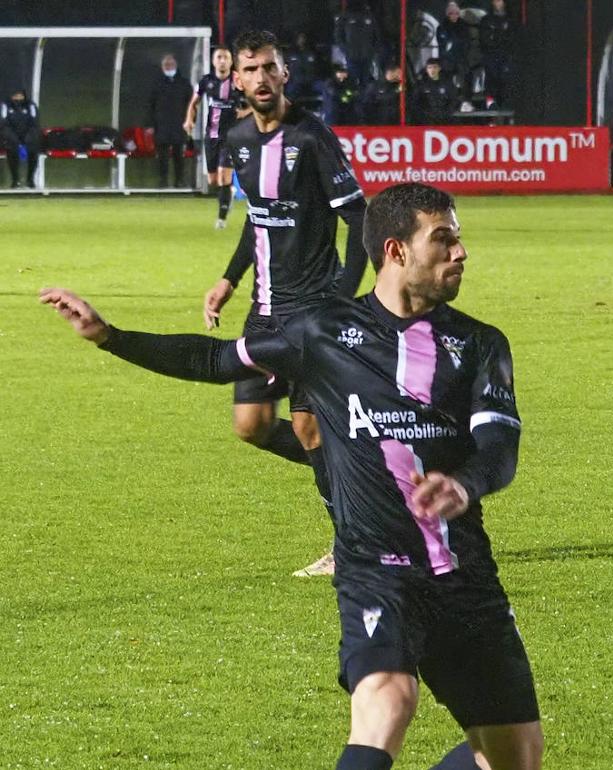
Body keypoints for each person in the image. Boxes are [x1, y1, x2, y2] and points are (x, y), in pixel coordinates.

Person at [39, 182, 543, 770]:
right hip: (377, 571)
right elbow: (215, 359)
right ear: (396, 250)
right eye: (445, 239)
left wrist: (464, 484)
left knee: (514, 759)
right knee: (387, 703)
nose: (461, 252)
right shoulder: (320, 331)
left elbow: (499, 447)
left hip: (467, 578)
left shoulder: (481, 344)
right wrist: (110, 337)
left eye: (458, 239)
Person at [206, 29, 368, 577]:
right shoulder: (238, 140)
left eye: (269, 68)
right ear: (237, 79)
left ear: (284, 73)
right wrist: (229, 280)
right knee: (251, 425)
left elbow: (359, 220)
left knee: (309, 429)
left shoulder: (315, 137)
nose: (261, 79)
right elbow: (258, 220)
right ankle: (363, 476)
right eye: (250, 70)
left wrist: (342, 302)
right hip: (264, 311)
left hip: (314, 312)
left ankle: (350, 542)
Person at [185, 47, 241, 228]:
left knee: (224, 177)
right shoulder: (206, 81)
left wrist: (245, 113)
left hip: (231, 137)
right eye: (219, 57)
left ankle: (221, 219)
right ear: (213, 61)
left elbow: (254, 102)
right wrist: (189, 120)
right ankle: (229, 193)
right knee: (213, 180)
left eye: (226, 57)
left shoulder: (238, 80)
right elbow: (195, 102)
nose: (222, 60)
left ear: (231, 61)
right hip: (212, 135)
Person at [150, 53, 194, 188]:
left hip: (179, 125)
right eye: (166, 65)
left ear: (176, 65)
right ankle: (162, 181)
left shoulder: (184, 84)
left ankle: (179, 181)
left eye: (171, 64)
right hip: (161, 126)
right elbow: (150, 105)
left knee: (178, 155)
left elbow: (192, 105)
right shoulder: (156, 83)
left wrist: (191, 120)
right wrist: (151, 124)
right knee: (162, 156)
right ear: (162, 67)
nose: (169, 67)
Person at [435, 2, 474, 112]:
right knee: (445, 76)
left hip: (461, 57)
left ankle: (466, 101)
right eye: (451, 13)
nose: (454, 15)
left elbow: (466, 42)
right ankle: (448, 101)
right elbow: (443, 44)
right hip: (448, 59)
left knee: (466, 74)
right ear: (448, 14)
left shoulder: (463, 26)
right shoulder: (442, 27)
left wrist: (455, 44)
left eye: (456, 13)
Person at [333, 0, 381, 86]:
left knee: (366, 80)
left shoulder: (370, 16)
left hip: (367, 55)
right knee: (353, 80)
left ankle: (365, 98)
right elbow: (338, 36)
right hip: (352, 56)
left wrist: (372, 50)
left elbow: (377, 35)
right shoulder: (345, 17)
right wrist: (346, 50)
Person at [477, 0, 514, 110]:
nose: (498, 3)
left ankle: (505, 103)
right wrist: (496, 40)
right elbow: (484, 39)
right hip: (490, 55)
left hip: (505, 55)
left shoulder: (509, 20)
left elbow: (512, 38)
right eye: (496, 1)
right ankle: (490, 103)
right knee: (491, 78)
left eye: (500, 1)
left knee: (505, 79)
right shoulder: (486, 20)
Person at [0, 88, 40, 188]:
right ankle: (15, 180)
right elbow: (4, 124)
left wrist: (28, 138)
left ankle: (30, 180)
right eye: (15, 96)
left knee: (33, 152)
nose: (18, 98)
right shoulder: (5, 106)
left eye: (20, 96)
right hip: (11, 139)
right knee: (12, 151)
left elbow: (34, 124)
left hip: (28, 139)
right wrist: (13, 138)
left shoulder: (31, 106)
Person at [361, 61, 408, 125]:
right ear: (390, 72)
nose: (401, 75)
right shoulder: (375, 86)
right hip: (380, 123)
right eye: (398, 72)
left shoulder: (399, 85)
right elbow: (380, 100)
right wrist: (397, 91)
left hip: (397, 122)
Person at [414, 58, 458, 125]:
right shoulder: (421, 85)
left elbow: (453, 99)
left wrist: (447, 113)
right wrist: (425, 114)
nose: (432, 70)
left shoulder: (447, 83)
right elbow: (417, 102)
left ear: (439, 68)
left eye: (435, 67)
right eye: (429, 68)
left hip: (445, 119)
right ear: (426, 70)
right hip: (427, 120)